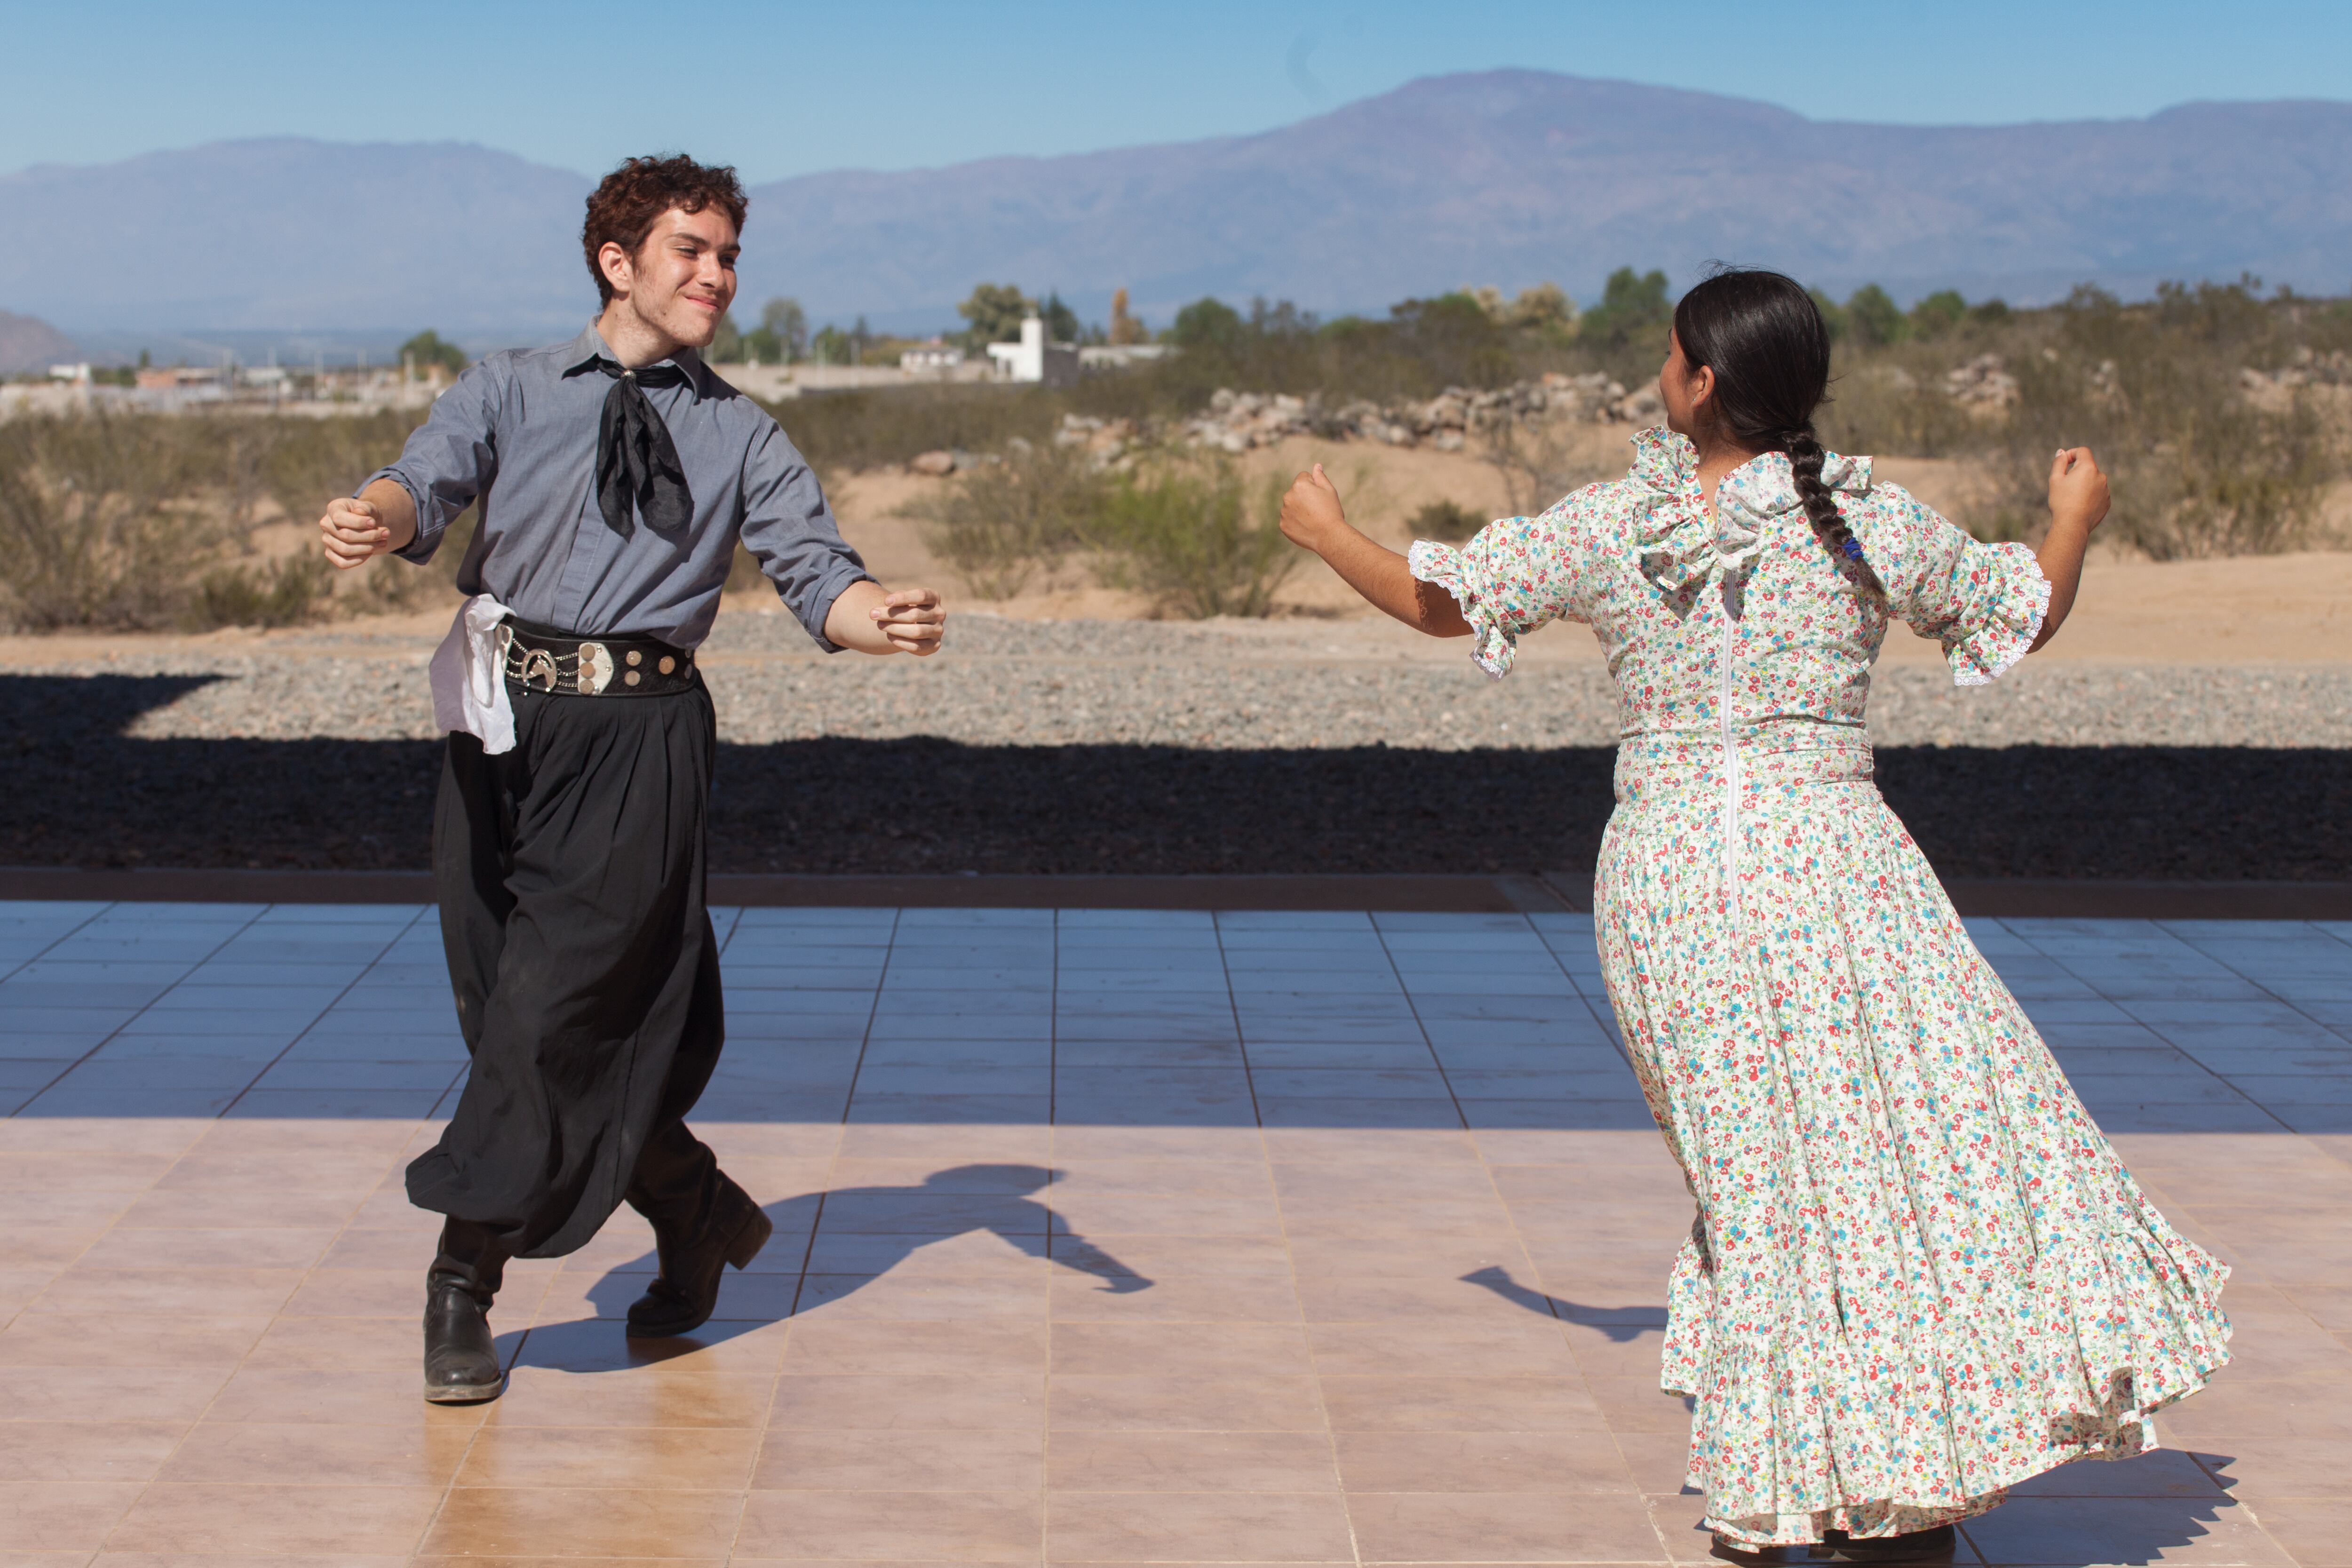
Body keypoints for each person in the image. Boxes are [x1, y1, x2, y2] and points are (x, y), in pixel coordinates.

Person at [1275, 269, 2230, 1562]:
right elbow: (2023, 612)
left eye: (1669, 357)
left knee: (1761, 1189)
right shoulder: (1862, 519)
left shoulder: (1619, 522)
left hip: (1672, 884)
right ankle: (1892, 1480)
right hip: (1838, 870)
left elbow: (1439, 602)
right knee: (1894, 1169)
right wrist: (2074, 520)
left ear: (1704, 381)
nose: (1657, 376)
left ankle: (1801, 1474)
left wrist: (1328, 532)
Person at [318, 155, 946, 1405]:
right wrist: (378, 515)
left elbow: (819, 571)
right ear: (619, 262)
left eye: (729, 257)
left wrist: (879, 616)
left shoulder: (743, 432)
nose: (718, 277)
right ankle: (695, 1206)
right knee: (507, 1007)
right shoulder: (508, 386)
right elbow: (425, 475)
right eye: (691, 252)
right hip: (498, 723)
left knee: (545, 1014)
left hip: (640, 737)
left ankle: (462, 1277)